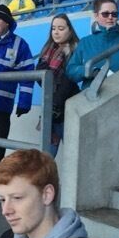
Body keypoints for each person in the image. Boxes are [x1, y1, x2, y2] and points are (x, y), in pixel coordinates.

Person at [0, 4, 36, 178]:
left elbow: (27, 74)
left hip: (2, 105)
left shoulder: (20, 44)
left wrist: (24, 101)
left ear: (7, 22)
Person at [67, 0, 119, 86]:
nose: (110, 17)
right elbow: (71, 71)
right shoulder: (85, 42)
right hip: (91, 97)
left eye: (114, 14)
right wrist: (89, 71)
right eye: (105, 14)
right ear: (96, 16)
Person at [37, 14, 81, 153]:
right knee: (46, 157)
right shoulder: (47, 50)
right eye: (53, 28)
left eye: (61, 28)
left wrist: (56, 102)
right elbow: (40, 78)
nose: (56, 32)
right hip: (50, 110)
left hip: (68, 110)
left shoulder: (77, 50)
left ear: (69, 30)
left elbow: (70, 79)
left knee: (74, 154)